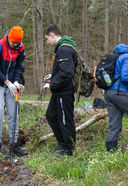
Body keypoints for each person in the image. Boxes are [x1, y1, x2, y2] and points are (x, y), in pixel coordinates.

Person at [0, 26, 26, 156]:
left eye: (17, 43)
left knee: (13, 113)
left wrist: (16, 81)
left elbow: (18, 67)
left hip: (12, 83)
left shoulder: (21, 48)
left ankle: (14, 145)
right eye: (13, 42)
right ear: (9, 38)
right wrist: (7, 82)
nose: (14, 44)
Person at [44, 24, 77, 158]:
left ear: (52, 35)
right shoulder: (62, 49)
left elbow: (67, 72)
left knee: (65, 119)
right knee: (51, 115)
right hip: (59, 91)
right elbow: (65, 69)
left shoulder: (64, 49)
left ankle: (68, 150)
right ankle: (62, 144)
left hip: (64, 91)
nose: (47, 42)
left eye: (47, 39)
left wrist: (52, 84)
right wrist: (53, 77)